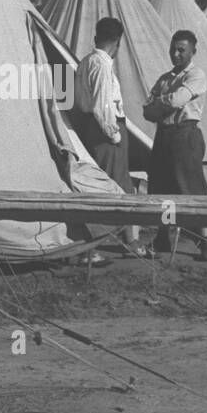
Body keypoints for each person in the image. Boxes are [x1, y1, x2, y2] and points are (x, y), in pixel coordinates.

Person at [143, 30, 207, 261]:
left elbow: (177, 100)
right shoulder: (165, 78)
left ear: (192, 52)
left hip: (185, 136)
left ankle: (205, 241)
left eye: (181, 50)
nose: (176, 54)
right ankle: (163, 237)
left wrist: (161, 102)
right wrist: (163, 103)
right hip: (164, 136)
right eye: (173, 49)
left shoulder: (196, 75)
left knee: (192, 189)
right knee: (162, 189)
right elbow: (147, 111)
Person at [72, 17, 142, 256]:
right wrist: (114, 136)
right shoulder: (101, 65)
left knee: (109, 184)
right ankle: (96, 247)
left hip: (92, 128)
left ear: (96, 38)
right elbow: (103, 106)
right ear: (118, 42)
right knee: (115, 186)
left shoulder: (85, 62)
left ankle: (126, 240)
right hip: (106, 131)